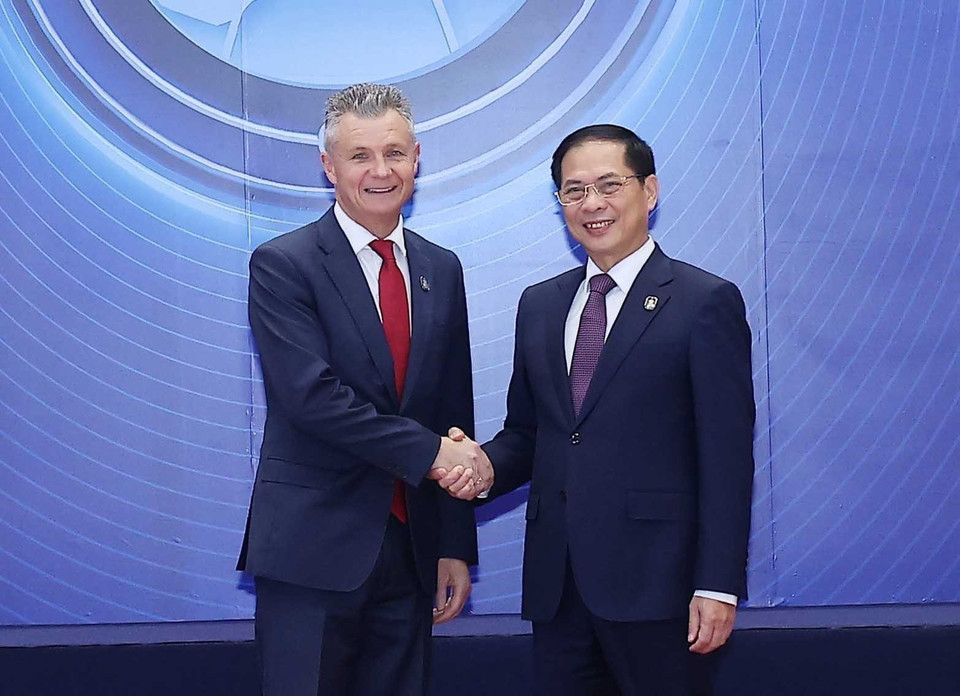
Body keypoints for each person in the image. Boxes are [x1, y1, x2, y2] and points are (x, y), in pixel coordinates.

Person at [446, 125, 755, 695]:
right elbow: (530, 434)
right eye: (573, 190)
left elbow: (727, 457)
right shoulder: (540, 305)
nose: (592, 204)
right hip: (559, 589)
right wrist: (482, 466)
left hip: (662, 589)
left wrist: (717, 584)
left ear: (651, 191)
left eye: (609, 185)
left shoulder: (705, 301)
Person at [237, 83, 489, 696]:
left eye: (395, 153)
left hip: (411, 551)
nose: (381, 171)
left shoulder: (441, 267)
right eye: (360, 156)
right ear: (328, 166)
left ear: (418, 157)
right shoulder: (284, 264)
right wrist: (433, 456)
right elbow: (311, 397)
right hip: (312, 550)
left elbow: (451, 408)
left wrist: (453, 543)